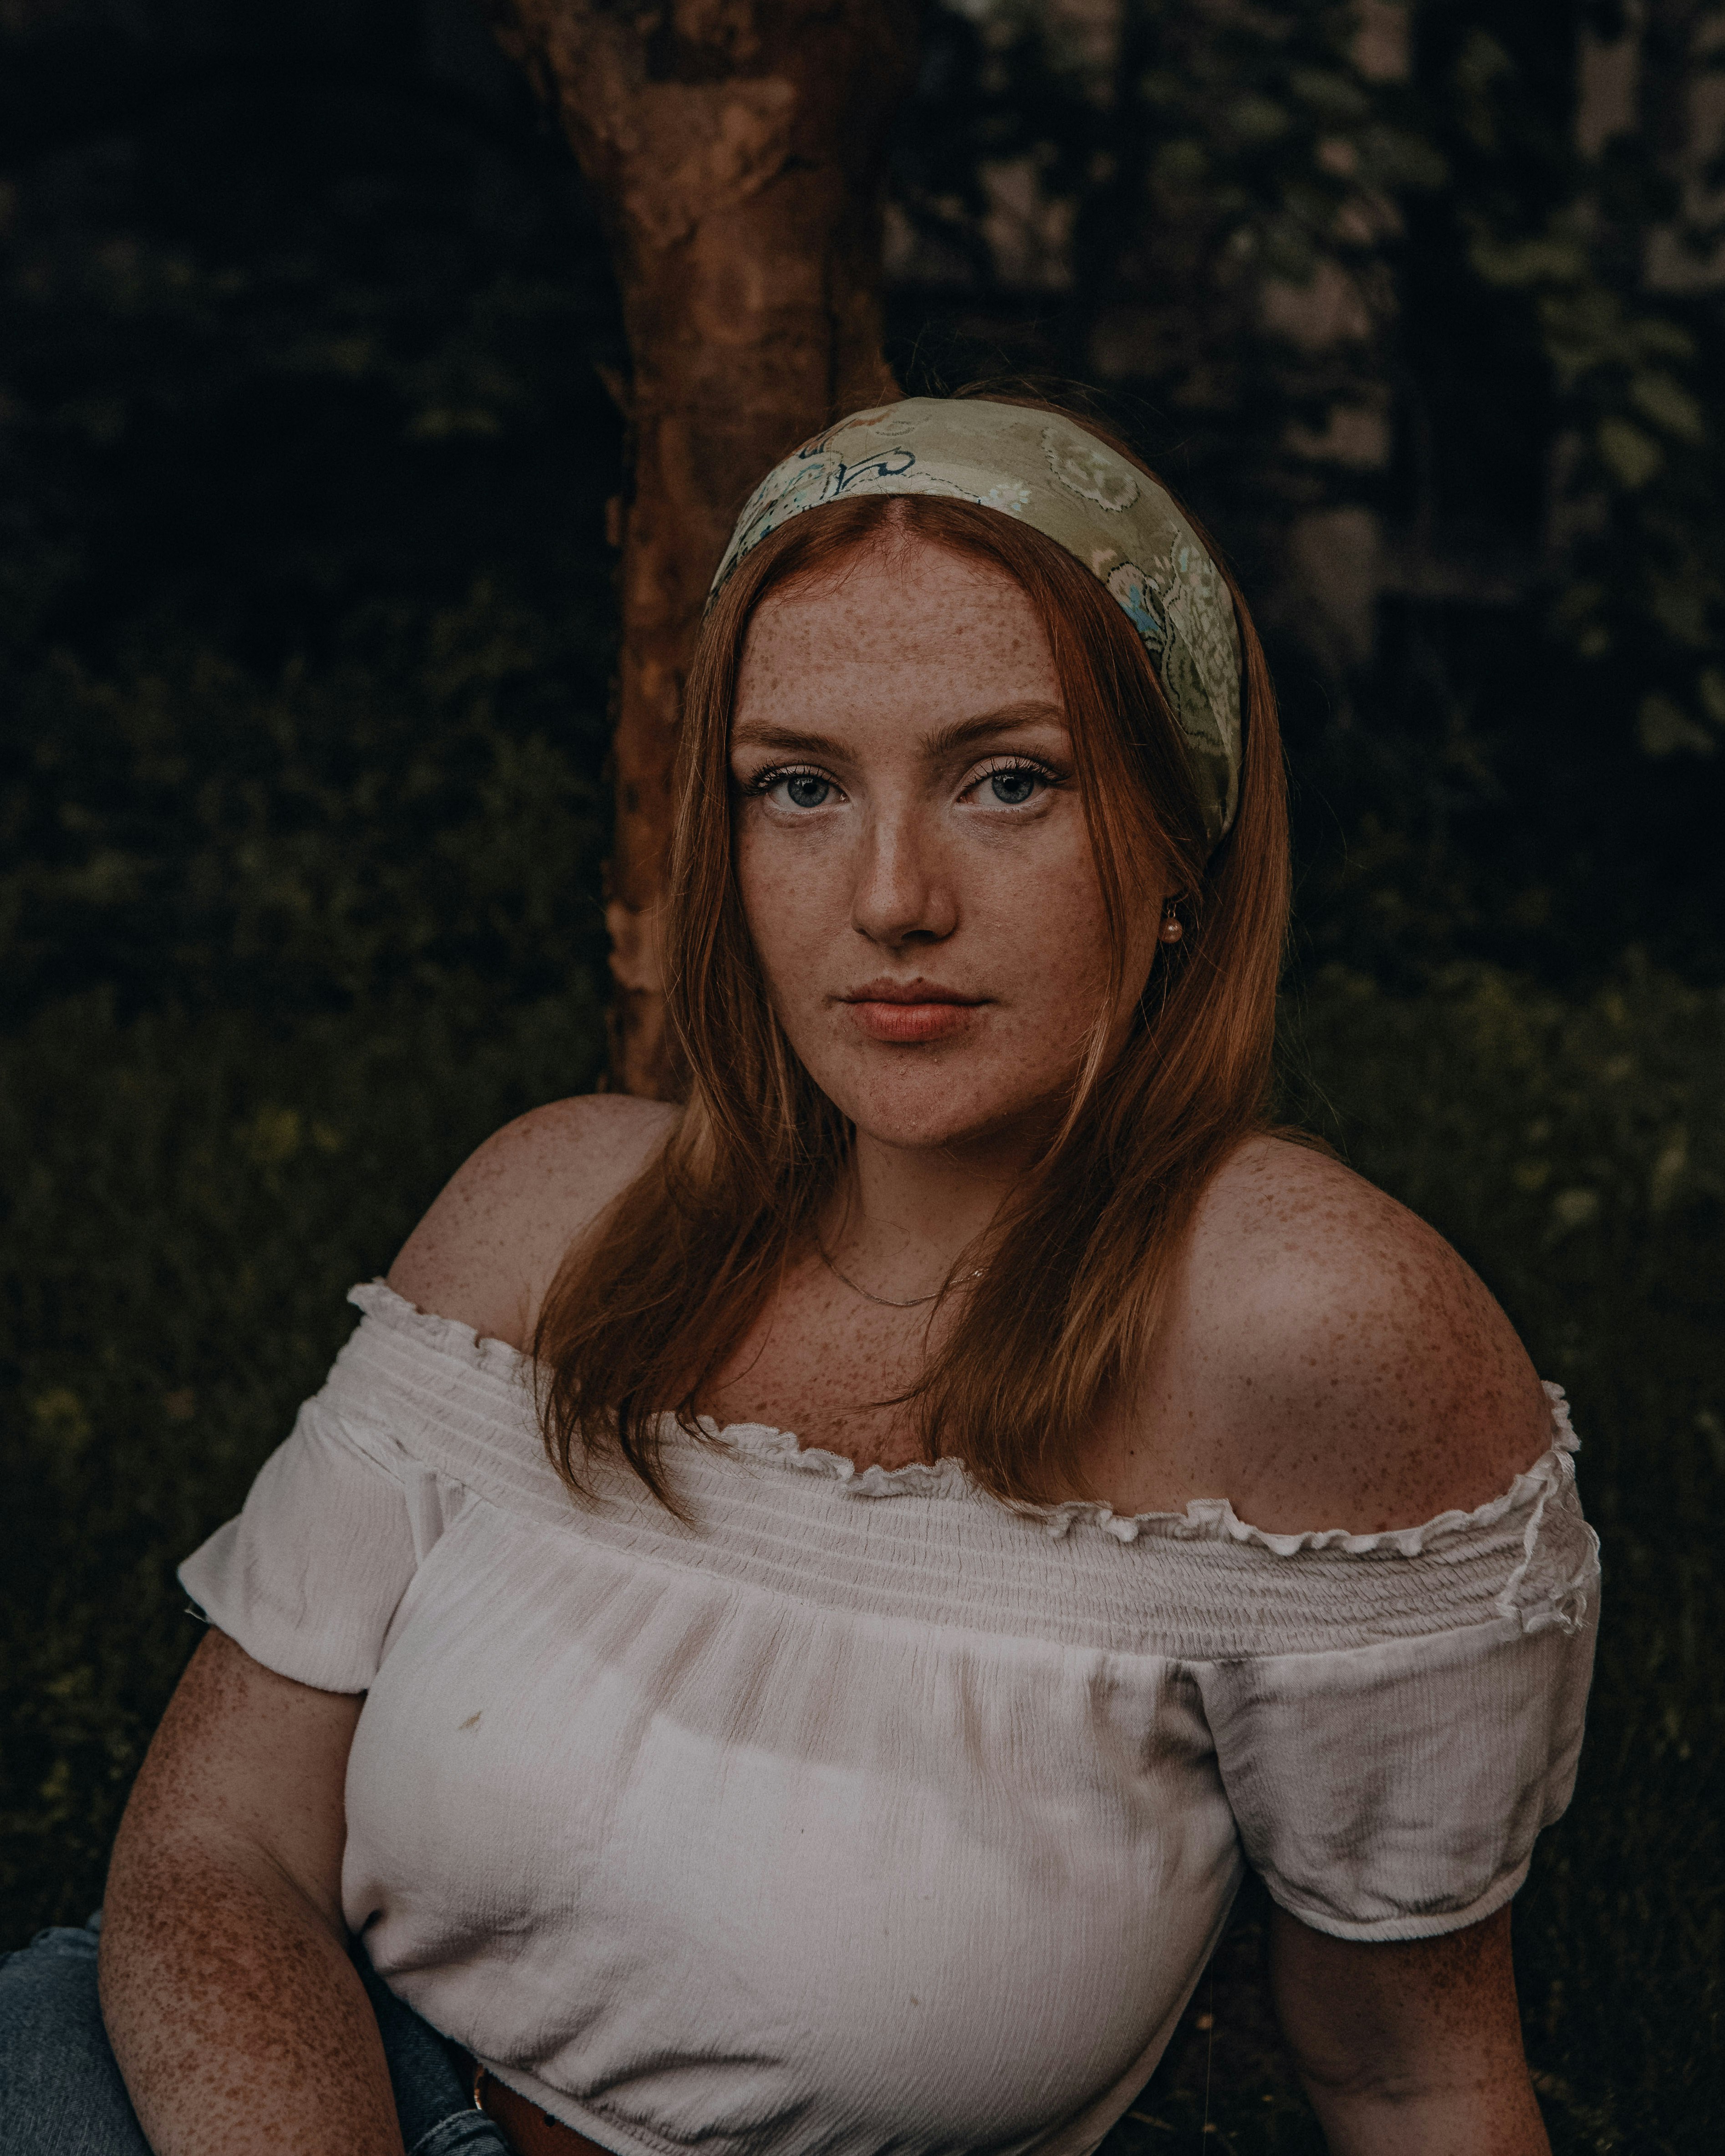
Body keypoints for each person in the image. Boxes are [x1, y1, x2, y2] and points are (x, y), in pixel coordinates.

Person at [0, 394, 1599, 2156]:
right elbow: (213, 1855)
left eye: (1010, 780)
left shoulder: (1316, 1332)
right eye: (800, 786)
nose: (891, 897)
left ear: (1174, 850)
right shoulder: (551, 1213)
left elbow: (1408, 2070)